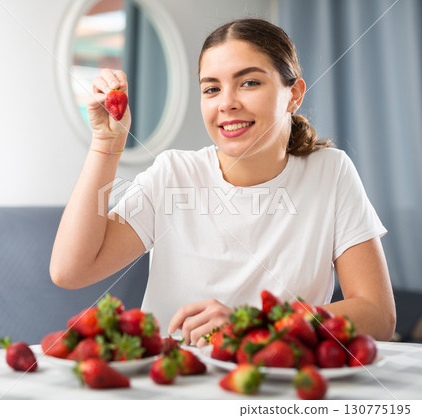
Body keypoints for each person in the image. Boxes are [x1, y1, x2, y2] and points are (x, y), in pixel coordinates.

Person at [50, 18, 396, 347]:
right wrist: (106, 144)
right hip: (176, 384)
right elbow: (70, 271)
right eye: (212, 88)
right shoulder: (173, 175)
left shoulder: (330, 173)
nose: (227, 103)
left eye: (249, 82)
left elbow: (378, 315)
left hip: (275, 385)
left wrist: (253, 325)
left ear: (294, 94)